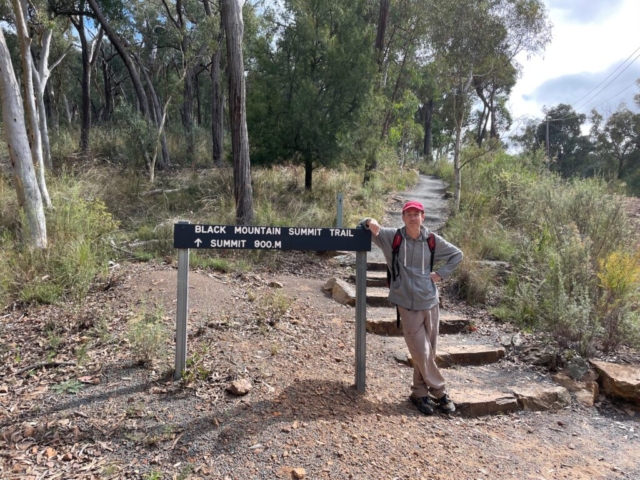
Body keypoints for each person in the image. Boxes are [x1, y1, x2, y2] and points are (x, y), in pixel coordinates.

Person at [361, 200, 463, 415]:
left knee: (427, 351)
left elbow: (457, 255)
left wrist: (440, 274)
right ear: (403, 217)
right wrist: (371, 220)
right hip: (406, 303)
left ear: (423, 217)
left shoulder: (432, 240)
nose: (413, 217)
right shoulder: (392, 237)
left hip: (430, 301)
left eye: (417, 214)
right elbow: (362, 227)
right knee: (421, 350)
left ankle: (419, 393)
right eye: (409, 214)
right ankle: (440, 392)